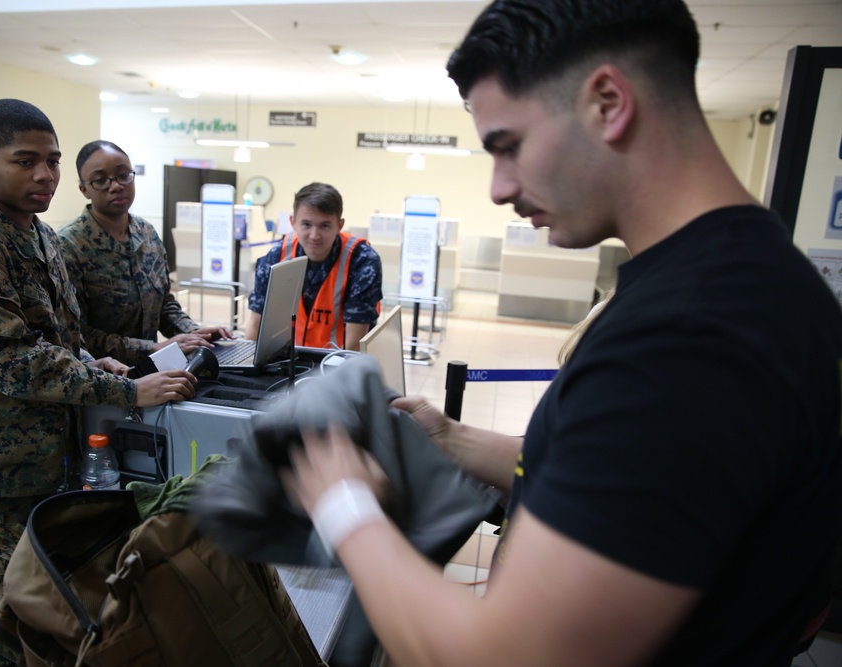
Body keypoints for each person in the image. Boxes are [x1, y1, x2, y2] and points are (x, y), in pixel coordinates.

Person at [281, 1, 842, 665]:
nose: (497, 187)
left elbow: (500, 656)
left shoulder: (689, 336)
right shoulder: (743, 277)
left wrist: (347, 510)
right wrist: (452, 436)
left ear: (608, 102)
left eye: (508, 145)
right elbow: (626, 482)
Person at [0, 99, 196, 664]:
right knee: (8, 607)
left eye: (52, 161)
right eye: (26, 161)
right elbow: (14, 361)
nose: (44, 175)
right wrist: (127, 390)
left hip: (48, 446)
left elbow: (59, 337)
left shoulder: (39, 237)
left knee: (34, 586)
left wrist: (96, 363)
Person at [58, 140, 232, 366]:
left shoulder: (146, 233)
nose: (116, 186)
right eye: (101, 180)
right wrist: (153, 347)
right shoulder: (68, 245)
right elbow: (76, 335)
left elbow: (164, 305)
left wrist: (196, 333)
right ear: (84, 189)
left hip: (156, 367)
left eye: (123, 175)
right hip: (106, 377)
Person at [245, 182, 382, 351]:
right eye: (306, 224)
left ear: (339, 226)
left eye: (324, 225)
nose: (314, 236)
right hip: (286, 361)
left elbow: (354, 344)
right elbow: (256, 323)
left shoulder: (362, 262)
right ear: (293, 222)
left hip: (337, 363)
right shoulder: (276, 256)